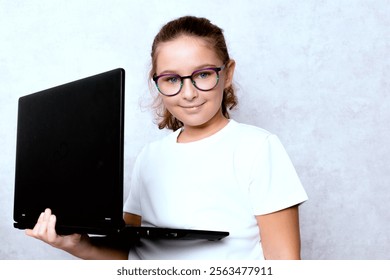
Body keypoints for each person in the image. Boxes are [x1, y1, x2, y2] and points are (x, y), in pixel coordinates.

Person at [26, 15, 308, 260]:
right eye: (172, 79)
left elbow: (284, 261)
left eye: (204, 74)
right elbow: (131, 254)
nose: (188, 93)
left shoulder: (257, 148)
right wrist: (78, 245)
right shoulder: (149, 156)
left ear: (228, 73)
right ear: (157, 82)